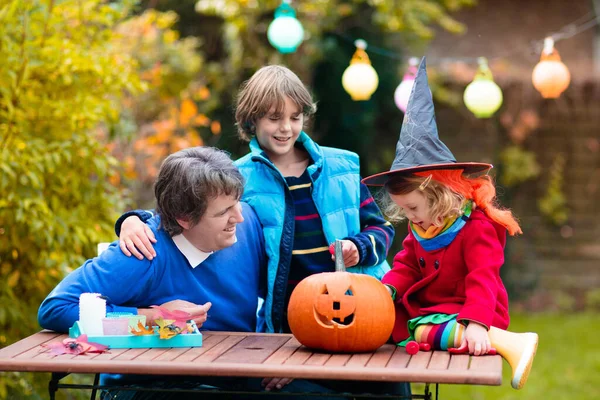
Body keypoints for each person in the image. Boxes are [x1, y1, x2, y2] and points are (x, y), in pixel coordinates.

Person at [114, 65, 409, 397]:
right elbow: (183, 209)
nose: (286, 128)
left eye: (295, 117)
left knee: (391, 389)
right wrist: (132, 220)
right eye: (274, 118)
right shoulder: (239, 176)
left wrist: (361, 245)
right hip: (293, 322)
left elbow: (381, 228)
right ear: (251, 120)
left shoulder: (341, 167)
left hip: (365, 312)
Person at [37, 147, 340, 399]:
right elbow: (54, 308)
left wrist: (285, 359)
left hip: (231, 373)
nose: (239, 216)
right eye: (223, 212)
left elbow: (281, 298)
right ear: (183, 218)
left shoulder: (247, 227)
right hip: (146, 385)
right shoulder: (141, 253)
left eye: (236, 204)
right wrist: (151, 317)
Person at [361, 58, 538, 390]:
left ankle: (512, 342)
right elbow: (407, 266)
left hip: (472, 309)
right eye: (404, 210)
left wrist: (476, 323)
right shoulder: (423, 227)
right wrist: (389, 288)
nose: (410, 217)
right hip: (432, 306)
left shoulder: (476, 228)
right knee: (390, 325)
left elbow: (483, 277)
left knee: (429, 330)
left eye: (413, 207)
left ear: (437, 193)